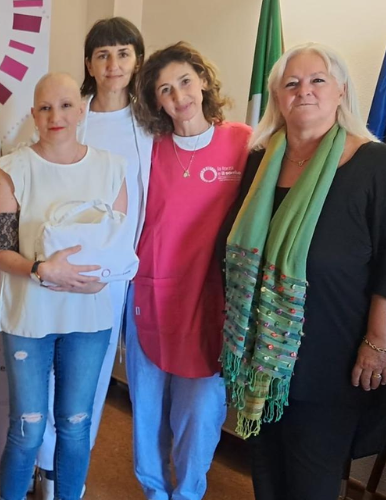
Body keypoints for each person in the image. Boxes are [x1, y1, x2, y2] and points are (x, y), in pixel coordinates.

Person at [221, 43, 386, 500]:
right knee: (267, 479)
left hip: (332, 362)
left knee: (312, 484)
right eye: (291, 83)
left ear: (341, 91)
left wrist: (378, 344)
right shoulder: (261, 162)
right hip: (261, 360)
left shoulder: (377, 166)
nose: (304, 91)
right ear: (278, 97)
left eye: (318, 80)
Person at [0, 72, 128, 500]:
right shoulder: (11, 170)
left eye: (66, 106)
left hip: (88, 317)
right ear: (34, 114)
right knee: (27, 428)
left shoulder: (111, 168)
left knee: (75, 424)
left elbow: (117, 248)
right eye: (46, 108)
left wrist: (99, 281)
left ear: (81, 110)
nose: (56, 116)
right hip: (28, 316)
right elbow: (1, 251)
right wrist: (41, 270)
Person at [34, 18, 152, 499]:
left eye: (123, 53)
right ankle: (45, 470)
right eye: (103, 55)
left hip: (116, 273)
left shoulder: (150, 122)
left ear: (137, 61)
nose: (113, 64)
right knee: (50, 371)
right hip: (60, 264)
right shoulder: (71, 112)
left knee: (93, 377)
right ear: (89, 63)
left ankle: (70, 478)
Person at [128, 42, 251, 500]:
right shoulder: (148, 149)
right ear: (156, 101)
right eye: (165, 89)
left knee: (200, 409)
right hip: (152, 293)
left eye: (184, 81)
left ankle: (188, 492)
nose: (179, 96)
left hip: (214, 298)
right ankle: (154, 491)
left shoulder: (243, 142)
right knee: (147, 409)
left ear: (202, 80)